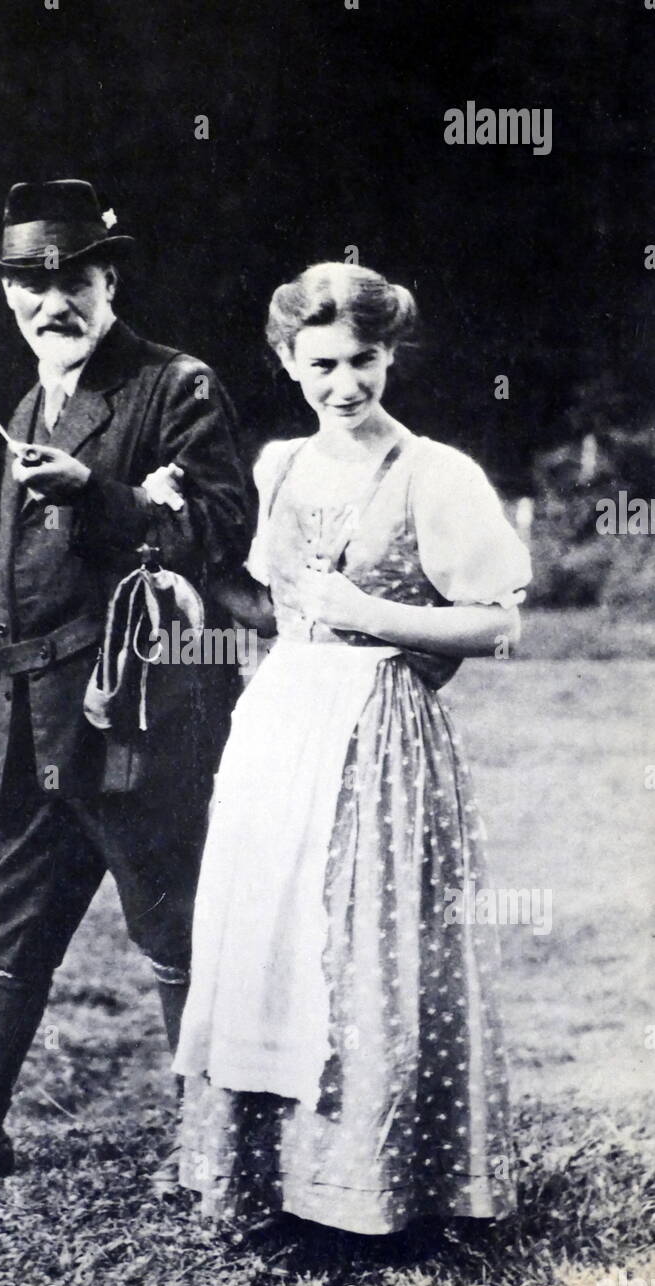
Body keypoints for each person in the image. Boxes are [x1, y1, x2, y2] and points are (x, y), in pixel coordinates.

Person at [0, 179, 252, 1208]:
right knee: (13, 921)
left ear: (109, 279)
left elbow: (221, 529)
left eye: (69, 279)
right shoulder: (35, 400)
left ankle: (209, 1151)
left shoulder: (176, 387)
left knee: (171, 923)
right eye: (26, 284)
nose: (47, 302)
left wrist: (107, 496)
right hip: (34, 716)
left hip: (139, 713)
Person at [173, 262, 532, 1236]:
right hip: (282, 722)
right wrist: (187, 577)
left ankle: (371, 1192)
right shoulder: (278, 465)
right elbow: (272, 606)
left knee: (361, 947)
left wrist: (371, 612)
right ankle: (270, 1185)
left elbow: (498, 625)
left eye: (364, 360)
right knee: (270, 941)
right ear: (289, 362)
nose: (346, 384)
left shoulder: (435, 472)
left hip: (380, 735)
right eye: (322, 362)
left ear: (388, 356)